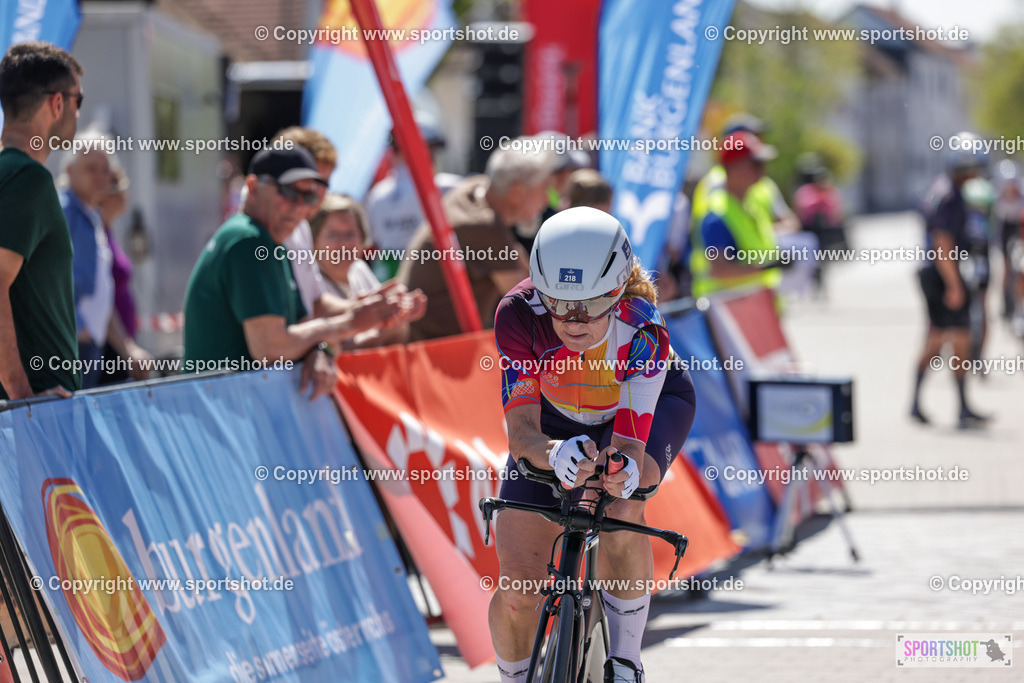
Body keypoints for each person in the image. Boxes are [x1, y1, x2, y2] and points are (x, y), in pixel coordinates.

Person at [490, 207, 696, 683]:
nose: (574, 319)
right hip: (556, 417)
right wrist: (554, 455)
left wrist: (618, 471)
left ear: (619, 288)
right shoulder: (518, 315)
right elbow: (522, 433)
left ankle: (626, 661)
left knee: (623, 502)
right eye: (558, 301)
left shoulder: (643, 327)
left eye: (591, 302)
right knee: (519, 587)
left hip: (645, 407)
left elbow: (628, 444)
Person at [182, 146, 412, 399]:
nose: (299, 207)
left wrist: (370, 312)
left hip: (229, 406)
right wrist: (351, 321)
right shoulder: (249, 240)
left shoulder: (269, 241)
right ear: (254, 186)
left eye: (310, 197)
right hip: (220, 408)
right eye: (289, 192)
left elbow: (303, 324)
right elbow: (270, 347)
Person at [398, 140, 553, 340]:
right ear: (517, 192)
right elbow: (532, 306)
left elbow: (515, 259)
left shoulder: (476, 188)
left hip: (425, 339)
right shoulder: (483, 226)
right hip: (433, 349)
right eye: (544, 189)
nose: (547, 200)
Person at [0, 41, 83, 399]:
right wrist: (22, 394)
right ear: (58, 102)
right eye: (78, 101)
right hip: (34, 417)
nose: (78, 114)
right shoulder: (29, 179)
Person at [910, 133, 990, 429]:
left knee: (943, 340)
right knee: (953, 340)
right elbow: (942, 243)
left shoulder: (941, 189)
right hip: (944, 277)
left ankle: (945, 405)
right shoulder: (950, 196)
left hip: (940, 275)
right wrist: (955, 285)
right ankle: (951, 406)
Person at [310, 193, 425, 348]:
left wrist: (400, 317)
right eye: (333, 235)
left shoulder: (359, 269)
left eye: (351, 234)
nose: (344, 244)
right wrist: (385, 327)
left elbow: (399, 337)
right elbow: (339, 350)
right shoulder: (310, 281)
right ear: (314, 241)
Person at [364, 114, 462, 280]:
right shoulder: (447, 187)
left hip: (387, 276)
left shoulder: (376, 195)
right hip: (431, 273)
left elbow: (375, 240)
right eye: (432, 150)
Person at [688, 131, 784, 298]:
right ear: (734, 167)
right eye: (756, 163)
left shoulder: (750, 206)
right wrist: (768, 267)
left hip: (750, 307)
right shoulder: (717, 215)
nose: (762, 168)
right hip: (725, 312)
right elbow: (720, 270)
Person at [97, 162, 152, 384]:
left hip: (118, 348)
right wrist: (127, 348)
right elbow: (99, 298)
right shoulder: (94, 232)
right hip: (109, 350)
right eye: (118, 183)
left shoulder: (106, 231)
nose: (125, 190)